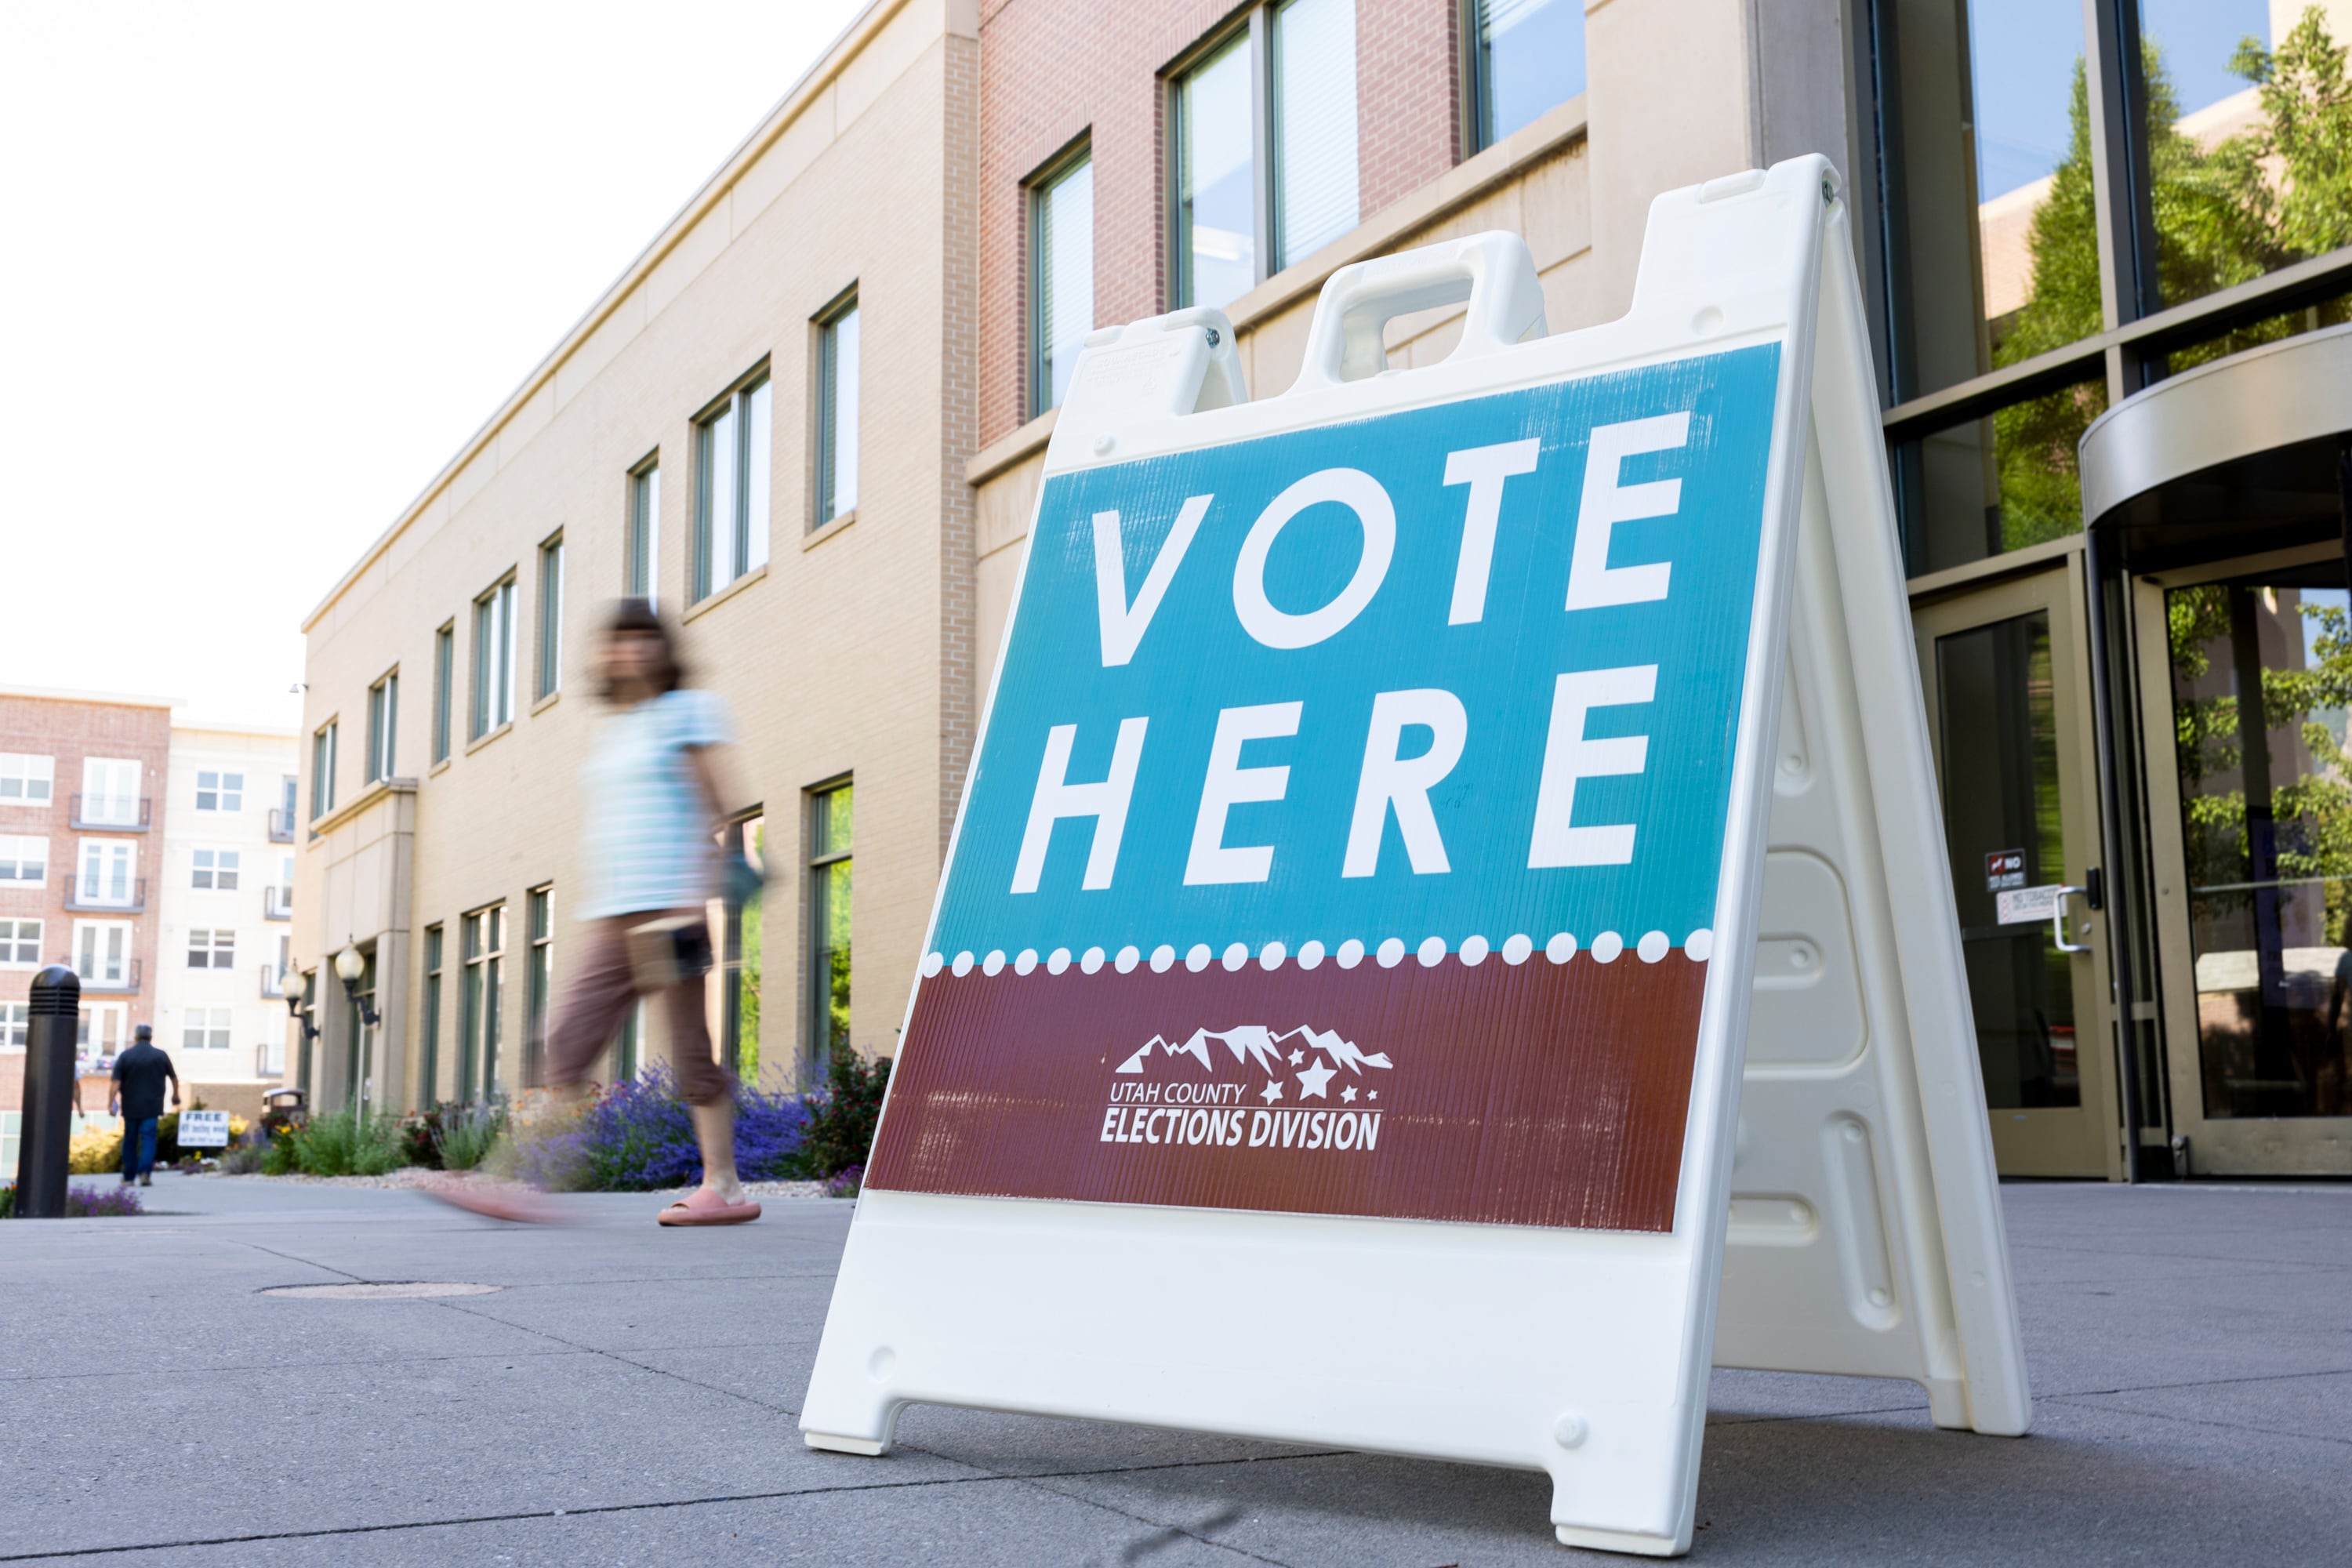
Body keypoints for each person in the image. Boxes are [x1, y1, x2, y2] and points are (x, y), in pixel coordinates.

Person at [437, 603, 759, 1227]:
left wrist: (700, 898)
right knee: (566, 1044)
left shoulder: (686, 711)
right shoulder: (618, 728)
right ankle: (519, 1180)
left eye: (643, 640)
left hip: (671, 908)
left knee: (692, 1051)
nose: (630, 652)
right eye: (619, 641)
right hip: (616, 913)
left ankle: (723, 1186)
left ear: (663, 651)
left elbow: (720, 805)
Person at [109, 1025, 180, 1187]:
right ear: (151, 1037)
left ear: (135, 1037)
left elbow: (116, 1082)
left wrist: (111, 1102)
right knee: (148, 1139)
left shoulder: (126, 1056)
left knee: (130, 1140)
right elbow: (174, 1078)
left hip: (131, 1106)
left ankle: (128, 1177)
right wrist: (175, 1095)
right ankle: (144, 1172)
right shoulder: (160, 1056)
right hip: (152, 1107)